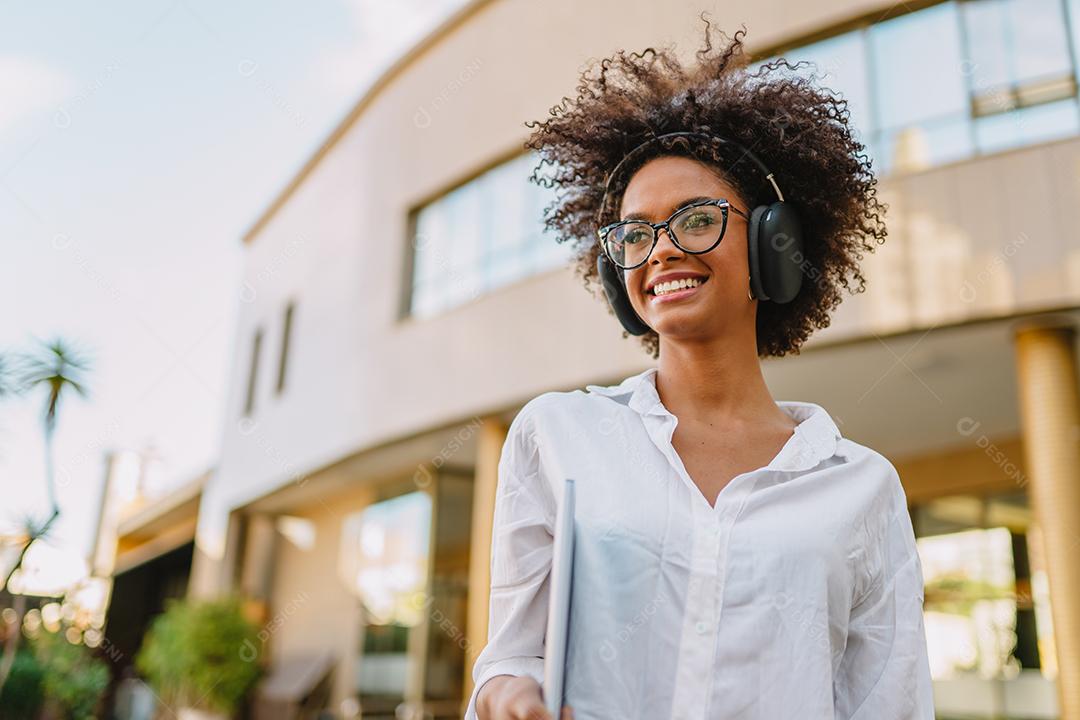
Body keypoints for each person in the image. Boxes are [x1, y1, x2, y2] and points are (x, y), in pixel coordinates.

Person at [464, 18, 934, 720]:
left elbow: (888, 705)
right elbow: (511, 655)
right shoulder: (555, 436)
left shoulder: (862, 488)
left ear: (775, 243)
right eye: (633, 232)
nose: (659, 250)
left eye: (694, 220)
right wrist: (508, 692)